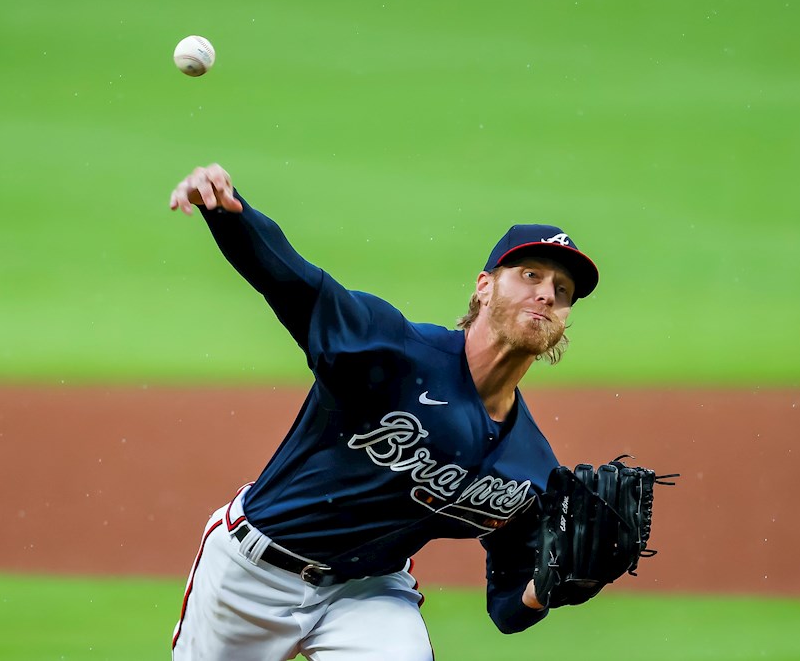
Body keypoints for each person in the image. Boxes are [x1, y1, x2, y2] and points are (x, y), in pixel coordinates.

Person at [166, 163, 600, 660]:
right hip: (252, 572)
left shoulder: (531, 466)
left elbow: (508, 606)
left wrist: (548, 587)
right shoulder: (392, 350)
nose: (546, 294)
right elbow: (293, 283)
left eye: (562, 290)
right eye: (530, 275)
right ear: (484, 287)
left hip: (369, 593)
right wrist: (229, 214)